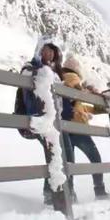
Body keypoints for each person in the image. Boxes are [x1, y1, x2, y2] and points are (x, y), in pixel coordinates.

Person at [21, 37, 75, 205]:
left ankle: (66, 191)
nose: (49, 53)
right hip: (40, 118)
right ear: (39, 51)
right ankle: (54, 194)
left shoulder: (57, 74)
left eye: (52, 50)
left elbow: (65, 97)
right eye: (45, 49)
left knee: (65, 153)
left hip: (56, 121)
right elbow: (28, 75)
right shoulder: (31, 67)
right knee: (57, 152)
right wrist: (39, 64)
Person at [61, 54, 110, 200]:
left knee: (68, 163)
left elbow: (93, 109)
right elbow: (75, 86)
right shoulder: (71, 76)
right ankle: (99, 190)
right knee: (95, 159)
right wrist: (91, 92)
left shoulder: (77, 100)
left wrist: (94, 97)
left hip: (68, 128)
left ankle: (69, 194)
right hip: (77, 131)